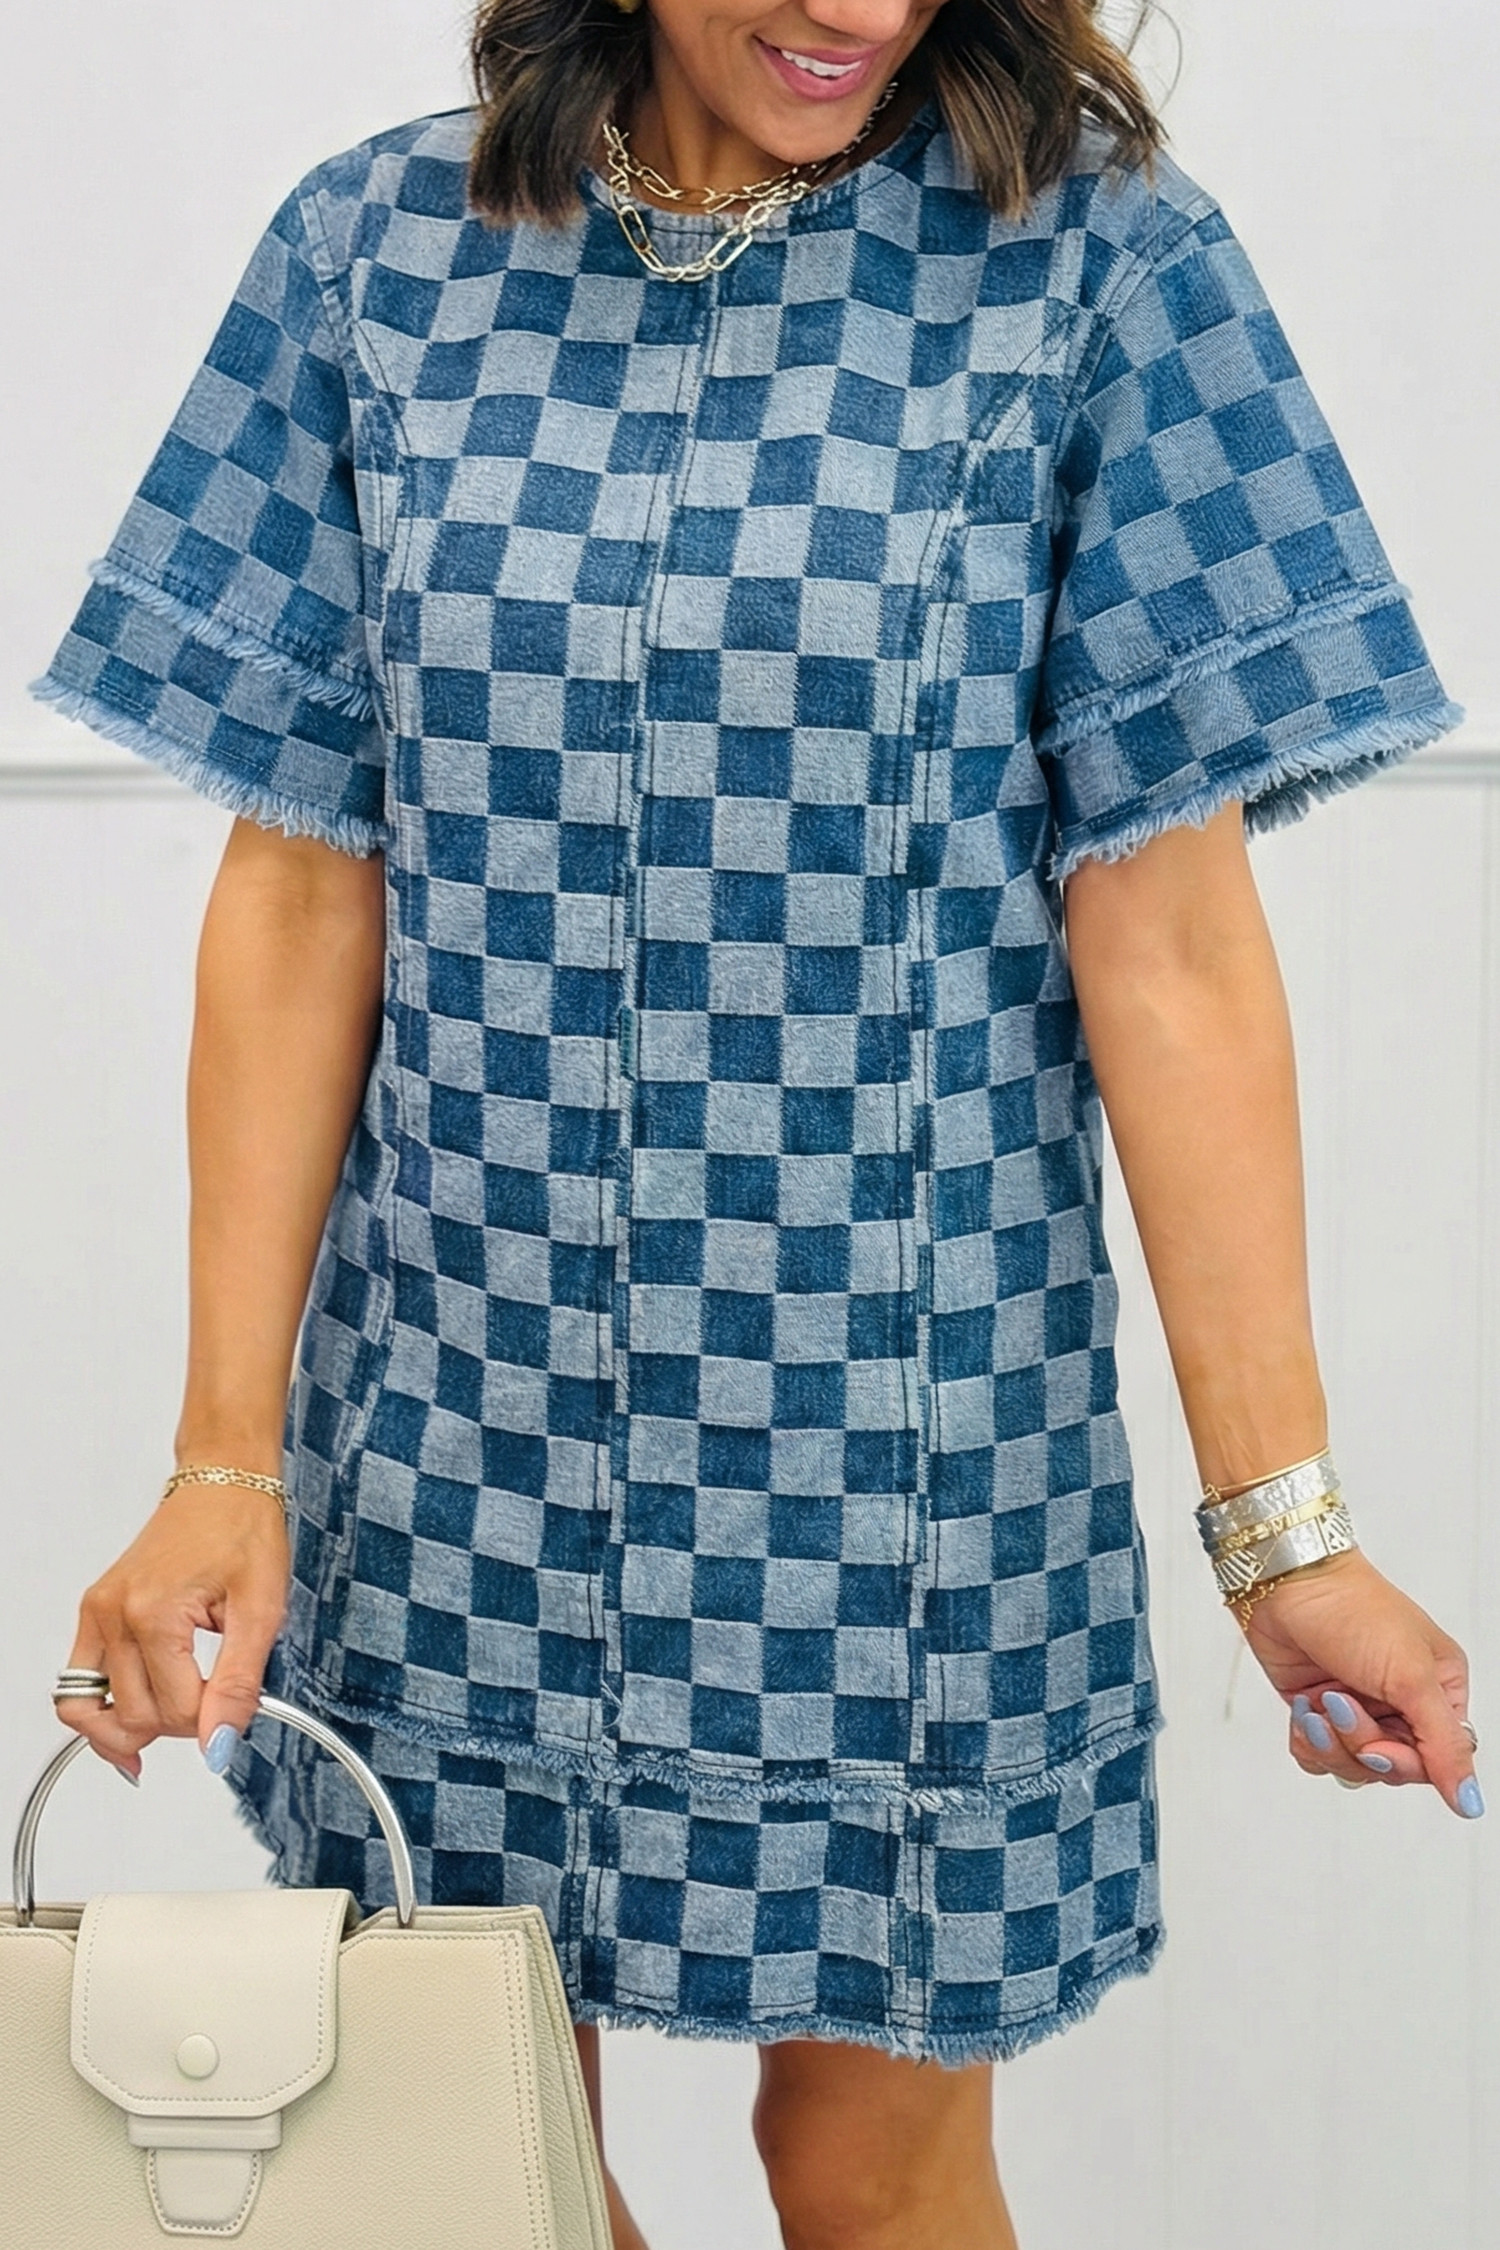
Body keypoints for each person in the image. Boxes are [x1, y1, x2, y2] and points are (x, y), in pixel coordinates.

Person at [34, 2, 1480, 2244]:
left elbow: (1175, 943)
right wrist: (225, 1463)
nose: (858, 11)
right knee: (469, 2148)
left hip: (907, 1461)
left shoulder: (1101, 269)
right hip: (461, 1437)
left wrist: (1283, 1534)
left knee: (868, 2171)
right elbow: (310, 886)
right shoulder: (371, 258)